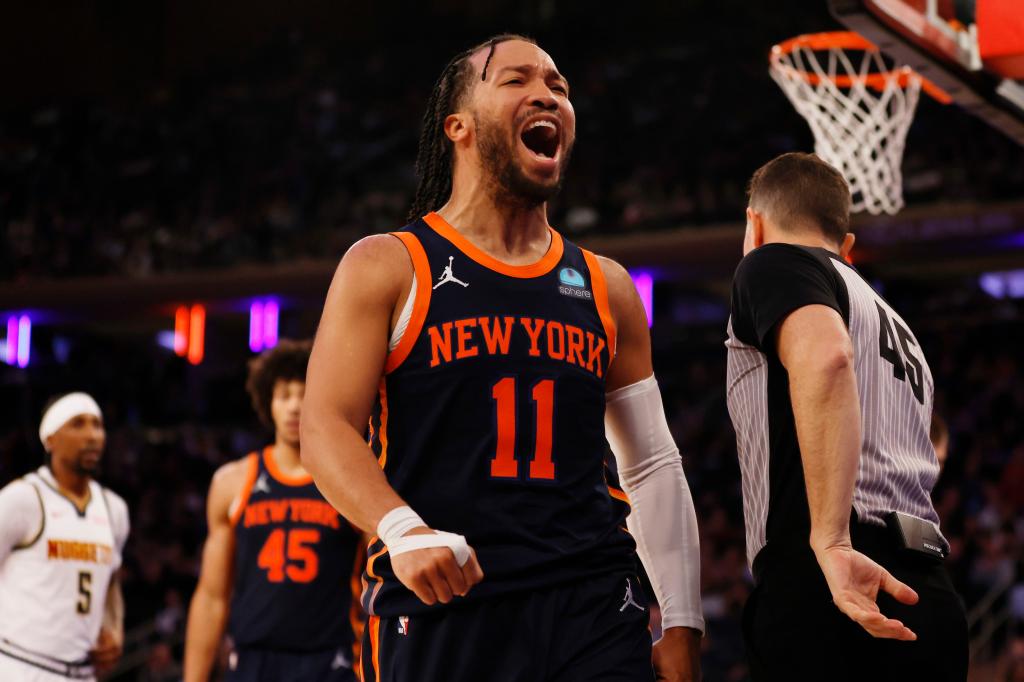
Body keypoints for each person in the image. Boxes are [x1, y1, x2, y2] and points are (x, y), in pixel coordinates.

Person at [302, 34, 704, 682]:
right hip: (446, 600)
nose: (546, 93)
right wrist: (401, 529)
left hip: (594, 607)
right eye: (516, 80)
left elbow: (652, 461)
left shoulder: (606, 286)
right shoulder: (389, 264)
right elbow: (324, 427)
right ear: (456, 125)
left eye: (558, 86)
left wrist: (683, 618)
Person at [725, 152, 968, 681]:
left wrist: (831, 539)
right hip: (927, 586)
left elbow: (827, 357)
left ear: (755, 223)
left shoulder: (772, 260)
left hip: (834, 582)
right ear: (848, 248)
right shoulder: (898, 327)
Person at [184, 340, 364, 682]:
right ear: (268, 403)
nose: (295, 406)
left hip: (331, 659)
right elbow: (211, 596)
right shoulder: (232, 482)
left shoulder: (350, 480)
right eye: (284, 395)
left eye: (305, 394)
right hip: (254, 659)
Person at [0, 392, 129, 681]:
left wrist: (115, 626)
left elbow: (110, 581)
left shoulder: (114, 509)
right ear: (50, 438)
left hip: (83, 673)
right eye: (78, 424)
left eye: (97, 425)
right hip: (20, 666)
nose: (92, 435)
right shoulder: (22, 499)